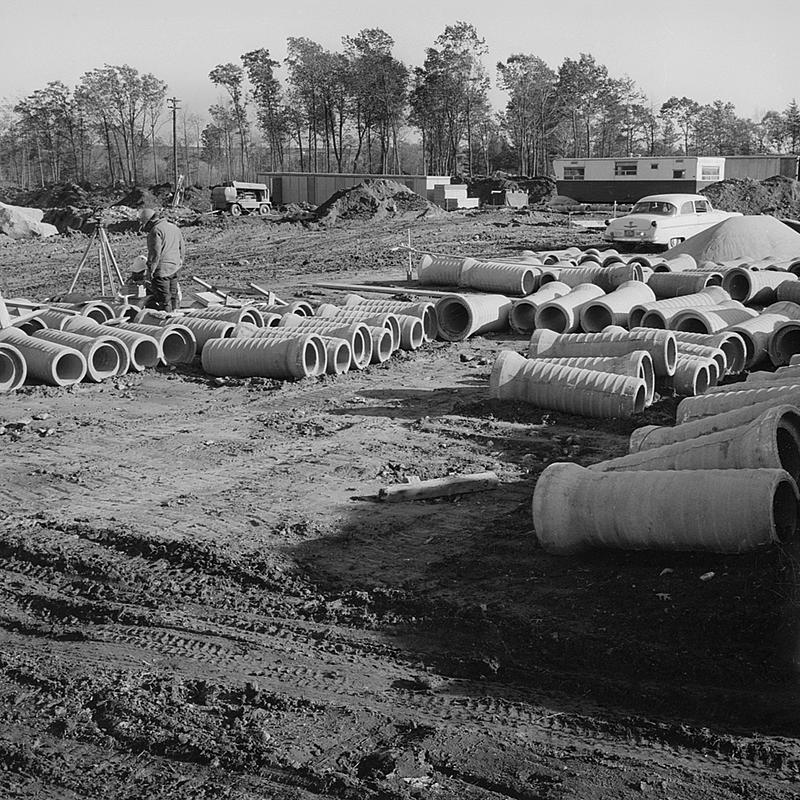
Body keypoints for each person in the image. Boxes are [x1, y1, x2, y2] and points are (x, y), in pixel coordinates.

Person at [137, 208, 185, 311]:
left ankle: (167, 322)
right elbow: (182, 248)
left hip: (162, 270)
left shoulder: (155, 231)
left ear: (149, 221)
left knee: (164, 299)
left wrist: (150, 272)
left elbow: (155, 254)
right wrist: (179, 263)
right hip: (175, 268)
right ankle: (177, 319)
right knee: (173, 297)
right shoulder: (174, 228)